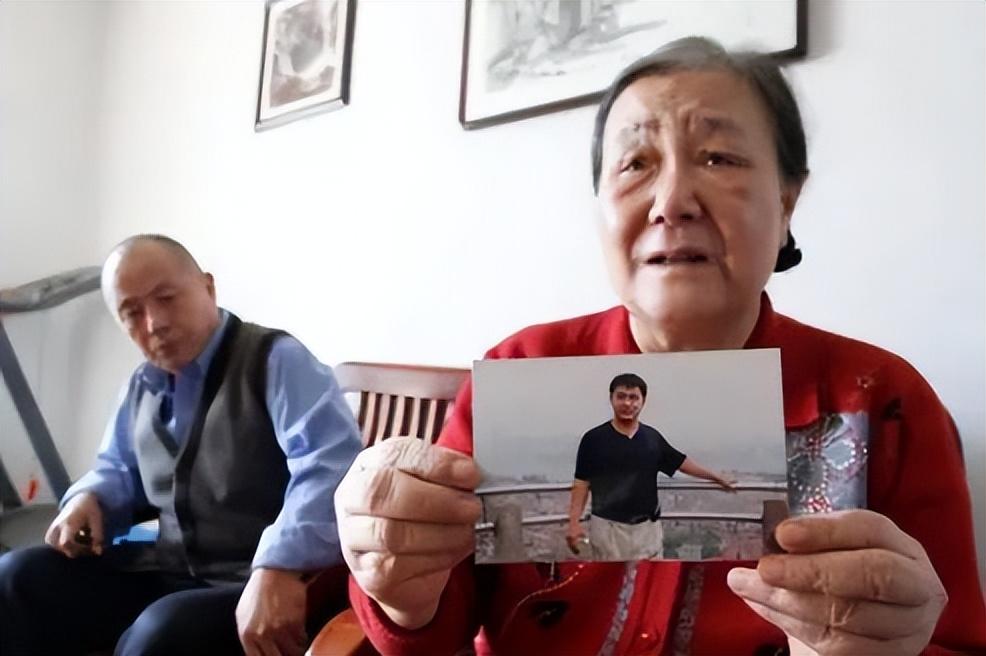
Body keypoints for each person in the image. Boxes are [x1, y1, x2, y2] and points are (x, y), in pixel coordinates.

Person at [335, 38, 986, 655]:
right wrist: (398, 586)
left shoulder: (885, 402)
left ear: (787, 201)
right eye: (635, 164)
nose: (672, 202)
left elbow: (953, 637)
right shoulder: (518, 370)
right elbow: (432, 622)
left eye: (719, 158)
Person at [0, 235, 363, 656]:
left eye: (166, 298)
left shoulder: (275, 359)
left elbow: (329, 465)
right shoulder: (142, 385)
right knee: (17, 576)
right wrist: (89, 498)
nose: (154, 323)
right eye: (132, 313)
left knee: (158, 633)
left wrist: (279, 563)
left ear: (208, 287)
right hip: (168, 568)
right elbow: (118, 468)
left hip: (256, 580)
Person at [566, 372, 735, 560]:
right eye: (621, 397)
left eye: (633, 398)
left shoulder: (651, 438)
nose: (627, 403)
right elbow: (581, 483)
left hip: (647, 528)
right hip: (608, 528)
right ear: (611, 398)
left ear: (643, 401)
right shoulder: (594, 439)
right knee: (612, 575)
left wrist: (715, 477)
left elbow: (680, 462)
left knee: (650, 572)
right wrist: (574, 523)